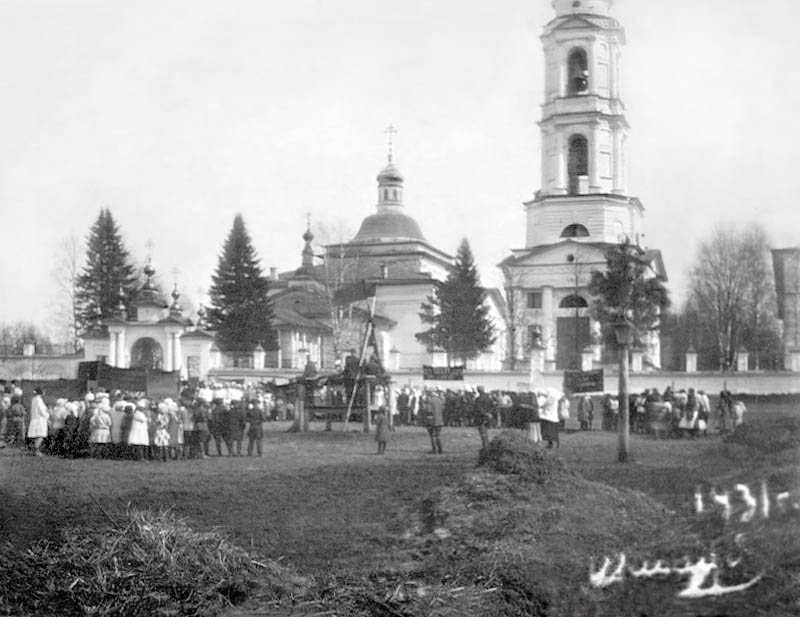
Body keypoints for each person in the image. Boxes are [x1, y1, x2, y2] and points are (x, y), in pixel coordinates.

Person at [27, 387, 50, 456]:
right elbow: (42, 410)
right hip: (40, 420)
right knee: (41, 435)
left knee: (37, 435)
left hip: (35, 419)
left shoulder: (34, 399)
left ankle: (36, 449)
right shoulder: (39, 400)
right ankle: (36, 450)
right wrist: (47, 415)